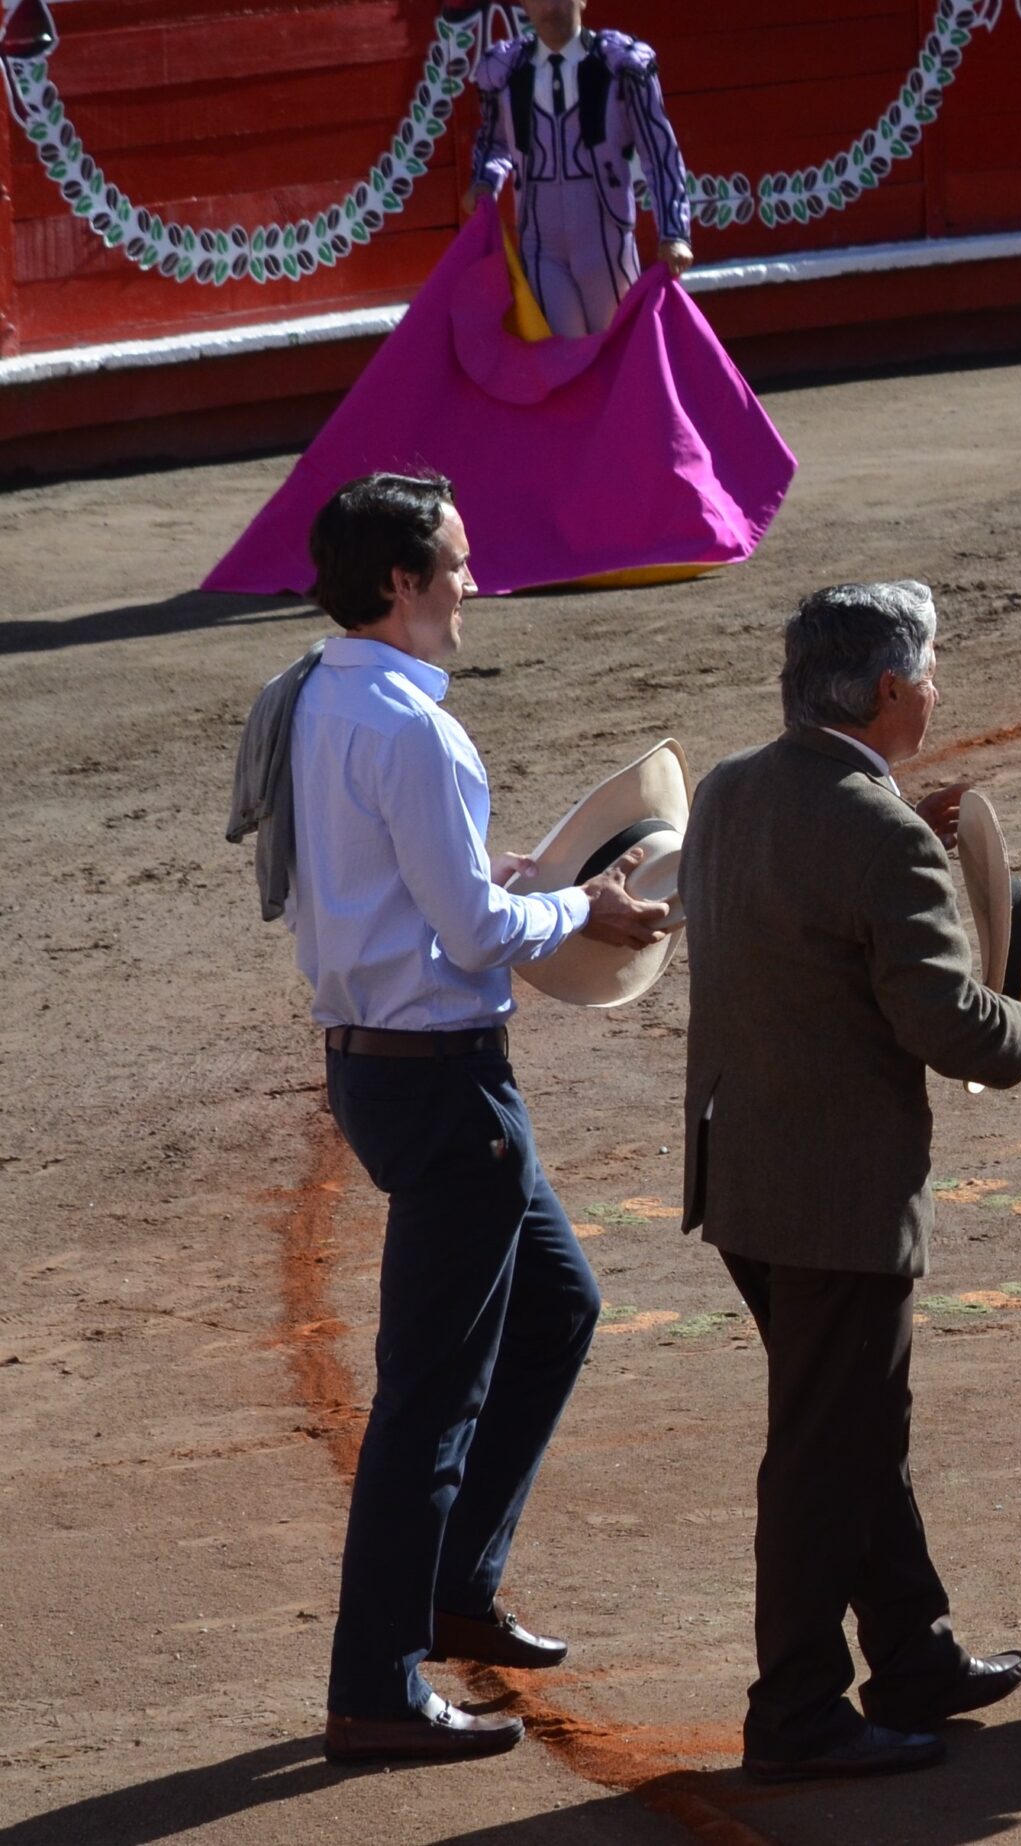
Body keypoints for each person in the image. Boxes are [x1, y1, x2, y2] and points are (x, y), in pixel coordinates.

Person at [270, 471, 671, 1763]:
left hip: (378, 1065)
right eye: (455, 562)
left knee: (559, 1304)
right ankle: (374, 1683)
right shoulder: (418, 730)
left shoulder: (319, 695)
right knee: (428, 1396)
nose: (473, 582)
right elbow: (479, 932)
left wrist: (508, 884)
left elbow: (395, 881)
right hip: (446, 1083)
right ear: (401, 581)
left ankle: (456, 1583)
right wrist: (583, 910)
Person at [679, 581, 1021, 1782]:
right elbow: (955, 1031)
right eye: (933, 673)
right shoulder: (879, 833)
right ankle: (796, 1708)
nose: (941, 689)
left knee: (852, 1426)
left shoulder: (730, 788)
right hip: (839, 1198)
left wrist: (908, 821)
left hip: (744, 1178)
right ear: (895, 691)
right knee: (826, 1447)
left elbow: (808, 910)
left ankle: (913, 1653)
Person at [467, 0, 693, 336]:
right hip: (539, 242)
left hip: (605, 237)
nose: (550, 6)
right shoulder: (507, 70)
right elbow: (494, 142)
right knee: (561, 355)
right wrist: (485, 181)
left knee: (619, 347)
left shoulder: (620, 65)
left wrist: (674, 231)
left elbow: (659, 151)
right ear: (525, 5)